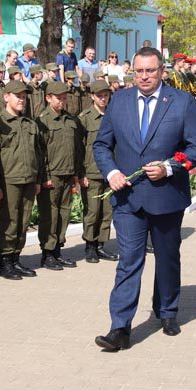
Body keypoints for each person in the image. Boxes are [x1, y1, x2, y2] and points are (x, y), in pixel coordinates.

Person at [92, 46, 196, 351]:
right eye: (139, 71)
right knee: (129, 261)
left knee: (167, 258)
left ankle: (167, 310)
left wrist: (170, 167)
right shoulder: (119, 100)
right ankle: (120, 327)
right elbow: (102, 145)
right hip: (128, 198)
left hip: (166, 197)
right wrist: (112, 172)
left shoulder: (181, 102)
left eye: (150, 71)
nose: (144, 76)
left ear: (162, 71)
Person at [0, 80, 44, 280]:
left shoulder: (29, 123)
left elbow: (38, 153)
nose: (22, 100)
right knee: (9, 221)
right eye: (18, 96)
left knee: (23, 221)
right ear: (6, 97)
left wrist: (37, 179)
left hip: (28, 178)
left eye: (24, 97)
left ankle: (15, 258)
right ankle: (4, 262)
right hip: (8, 179)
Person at [36, 80, 82, 269]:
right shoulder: (42, 121)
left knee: (64, 213)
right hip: (52, 175)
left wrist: (76, 174)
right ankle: (47, 253)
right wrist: (44, 176)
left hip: (68, 173)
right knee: (50, 215)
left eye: (65, 98)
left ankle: (58, 250)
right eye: (59, 98)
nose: (63, 101)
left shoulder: (70, 120)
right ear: (48, 98)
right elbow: (40, 152)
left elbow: (76, 149)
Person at [79, 80, 118, 263]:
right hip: (92, 171)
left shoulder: (114, 115)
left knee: (107, 211)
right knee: (92, 211)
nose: (103, 99)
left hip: (111, 171)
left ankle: (102, 245)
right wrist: (81, 174)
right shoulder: (85, 118)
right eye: (100, 95)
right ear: (92, 96)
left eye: (106, 95)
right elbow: (78, 148)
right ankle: (90, 246)